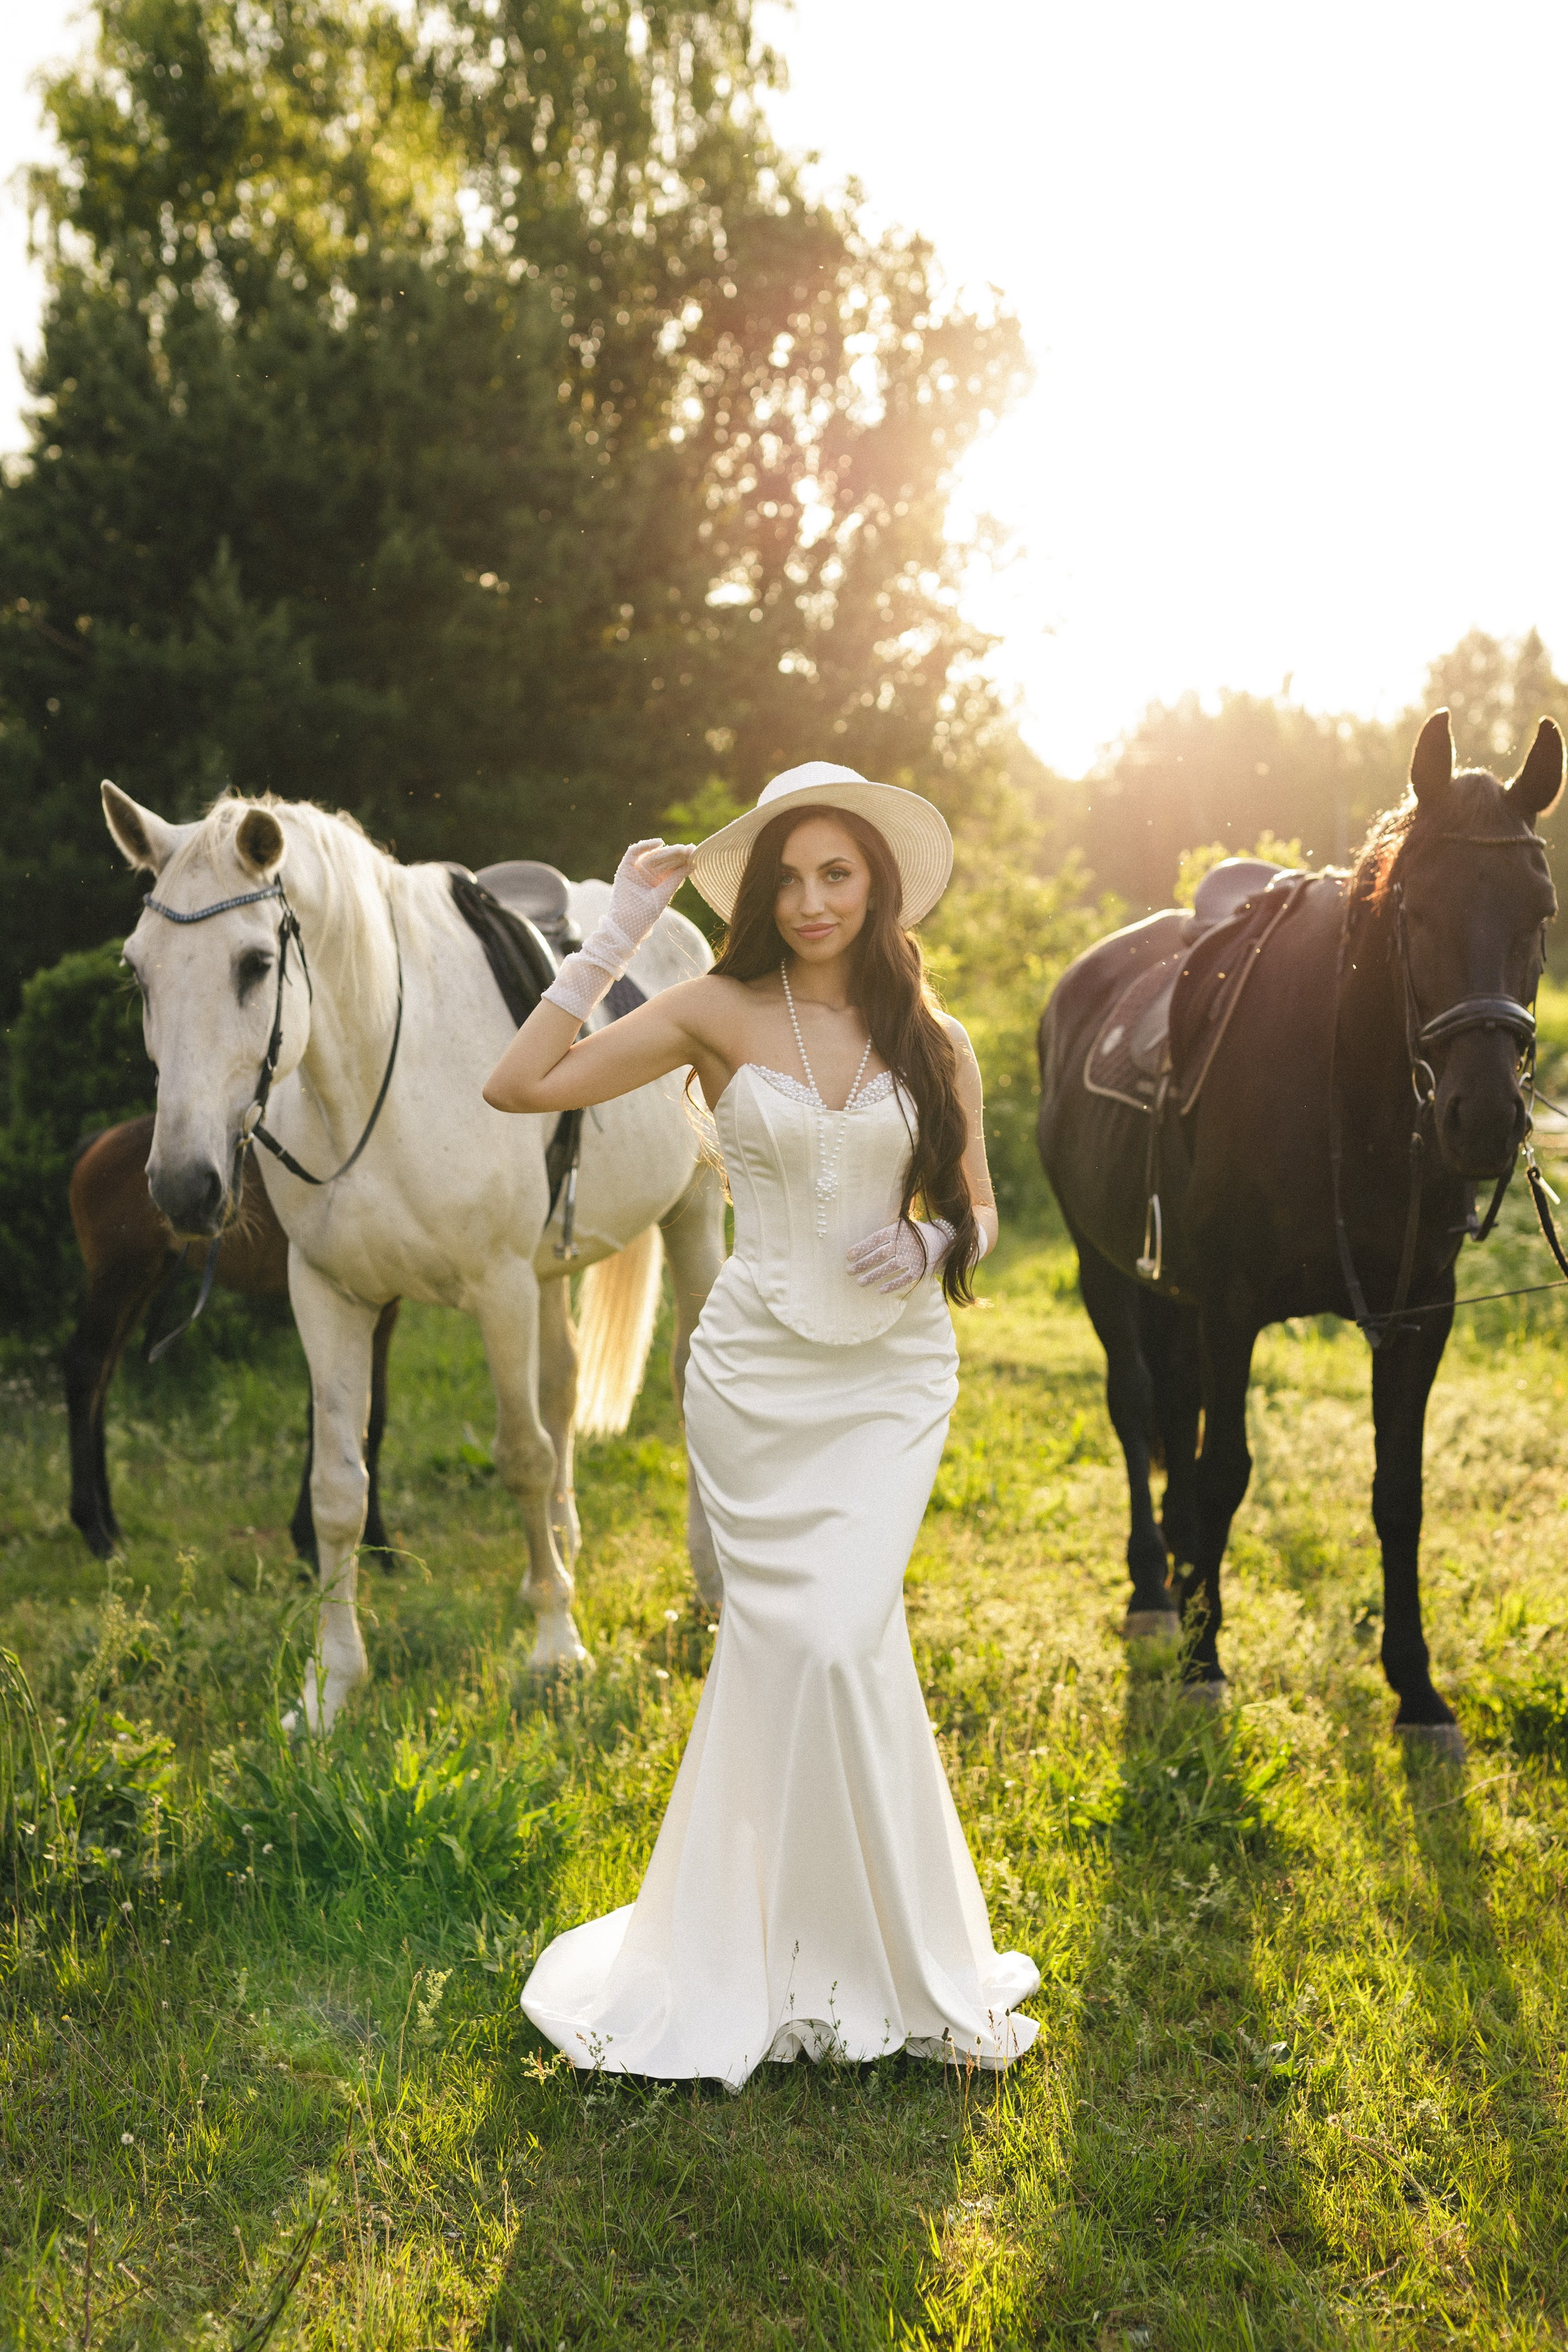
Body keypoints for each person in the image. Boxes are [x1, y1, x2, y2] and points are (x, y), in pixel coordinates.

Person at [483, 760, 1039, 2086]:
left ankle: (896, 1959)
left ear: (876, 882)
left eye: (835, 873)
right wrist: (608, 933)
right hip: (752, 1376)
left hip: (890, 1382)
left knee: (844, 1635)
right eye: (787, 877)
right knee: (791, 1643)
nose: (810, 900)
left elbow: (980, 1205)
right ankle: (753, 1955)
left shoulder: (932, 1036)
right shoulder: (712, 1009)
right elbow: (519, 1085)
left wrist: (937, 1239)